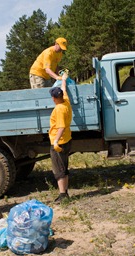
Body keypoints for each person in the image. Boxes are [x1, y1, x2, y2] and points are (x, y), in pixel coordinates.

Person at [48, 71, 72, 203]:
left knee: (59, 169)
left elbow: (61, 126)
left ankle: (63, 195)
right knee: (64, 166)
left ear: (54, 98)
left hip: (60, 142)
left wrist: (56, 141)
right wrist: (64, 79)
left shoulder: (59, 109)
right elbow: (63, 89)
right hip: (67, 139)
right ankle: (65, 192)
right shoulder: (66, 102)